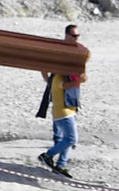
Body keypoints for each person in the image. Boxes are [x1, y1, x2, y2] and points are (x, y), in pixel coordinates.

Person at [37, 25, 87, 179]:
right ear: (66, 35)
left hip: (70, 106)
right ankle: (48, 156)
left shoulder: (66, 71)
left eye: (78, 35)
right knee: (70, 138)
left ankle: (61, 165)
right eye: (73, 35)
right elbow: (61, 84)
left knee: (66, 139)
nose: (76, 38)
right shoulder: (59, 72)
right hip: (62, 109)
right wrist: (80, 80)